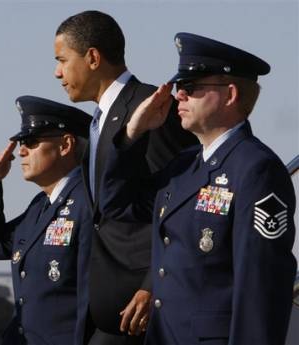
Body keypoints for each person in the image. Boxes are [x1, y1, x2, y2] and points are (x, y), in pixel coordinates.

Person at [100, 32, 297, 345]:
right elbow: (118, 206)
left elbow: (262, 283)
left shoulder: (255, 169)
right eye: (179, 88)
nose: (179, 96)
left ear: (230, 95)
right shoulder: (184, 166)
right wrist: (132, 136)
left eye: (191, 88)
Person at [54, 10, 198, 345]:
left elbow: (181, 202)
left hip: (141, 312)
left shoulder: (150, 109)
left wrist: (153, 285)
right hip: (101, 307)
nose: (57, 72)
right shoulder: (97, 122)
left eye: (62, 60)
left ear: (92, 57)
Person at [0, 96, 92, 345]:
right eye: (22, 142)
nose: (21, 151)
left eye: (31, 142)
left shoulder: (88, 202)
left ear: (65, 145)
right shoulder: (40, 206)